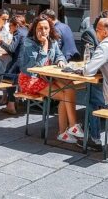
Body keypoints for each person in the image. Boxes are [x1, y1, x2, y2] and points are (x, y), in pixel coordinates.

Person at [19, 14, 83, 144]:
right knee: (64, 95)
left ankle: (70, 128)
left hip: (47, 77)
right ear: (34, 29)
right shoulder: (28, 43)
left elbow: (60, 55)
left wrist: (60, 60)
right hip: (30, 79)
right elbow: (35, 67)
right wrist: (44, 45)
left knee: (69, 86)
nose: (43, 31)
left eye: (46, 28)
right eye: (40, 28)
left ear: (50, 29)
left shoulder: (53, 41)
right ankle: (67, 129)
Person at [80, 10, 108, 150]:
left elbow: (93, 66)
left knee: (91, 99)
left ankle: (94, 139)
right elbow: (92, 57)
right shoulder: (91, 34)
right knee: (92, 94)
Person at [0, 14, 28, 115]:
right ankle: (16, 100)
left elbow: (11, 49)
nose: (9, 27)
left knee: (7, 79)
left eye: (10, 25)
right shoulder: (26, 31)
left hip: (17, 63)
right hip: (25, 63)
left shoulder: (18, 32)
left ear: (15, 25)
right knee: (12, 75)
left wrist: (1, 42)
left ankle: (11, 105)